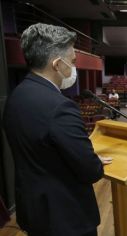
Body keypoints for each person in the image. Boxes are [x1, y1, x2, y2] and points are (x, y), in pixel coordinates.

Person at [3, 23, 112, 236]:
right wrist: (93, 161)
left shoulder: (16, 97)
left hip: (34, 211)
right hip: (65, 219)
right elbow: (90, 171)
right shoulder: (60, 107)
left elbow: (41, 152)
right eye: (72, 61)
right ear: (56, 64)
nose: (73, 67)